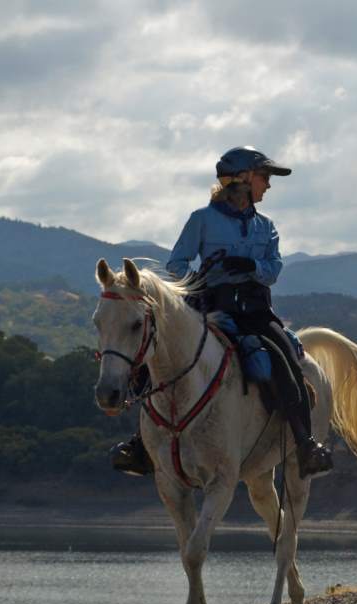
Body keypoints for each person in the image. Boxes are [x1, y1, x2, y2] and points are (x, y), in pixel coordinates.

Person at [110, 146, 333, 478]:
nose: (268, 185)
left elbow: (273, 269)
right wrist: (197, 281)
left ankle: (305, 443)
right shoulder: (201, 220)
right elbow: (176, 264)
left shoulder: (266, 226)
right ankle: (140, 444)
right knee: (157, 360)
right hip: (210, 306)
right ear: (243, 179)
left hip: (256, 311)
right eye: (264, 177)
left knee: (286, 361)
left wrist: (251, 266)